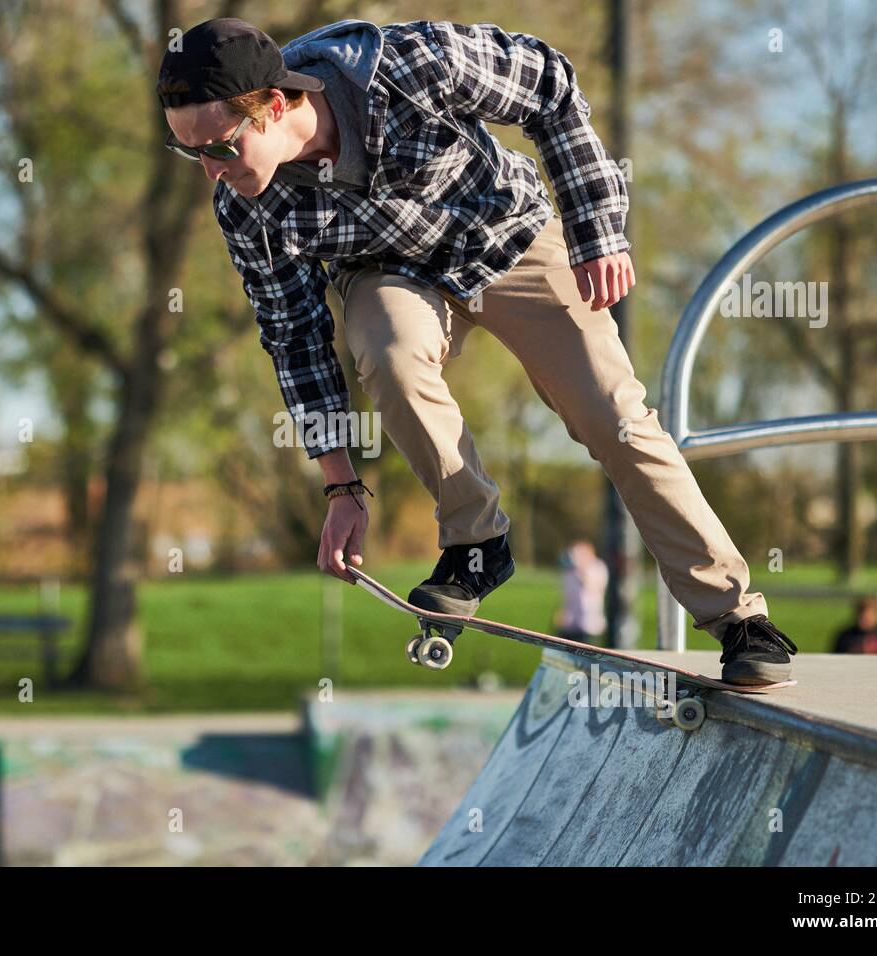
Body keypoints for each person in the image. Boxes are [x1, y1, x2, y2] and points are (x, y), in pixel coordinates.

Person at [158, 18, 797, 684]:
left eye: (221, 149)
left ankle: (738, 616)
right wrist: (341, 486)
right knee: (388, 351)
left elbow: (548, 86)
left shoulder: (407, 67)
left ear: (277, 104)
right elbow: (292, 333)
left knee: (614, 416)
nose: (212, 171)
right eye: (190, 154)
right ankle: (476, 543)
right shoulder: (246, 208)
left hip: (509, 237)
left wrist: (597, 229)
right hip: (389, 272)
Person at [555, 541, 608, 644]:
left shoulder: (598, 567)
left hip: (590, 625)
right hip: (570, 624)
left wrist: (582, 569)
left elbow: (593, 587)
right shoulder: (569, 572)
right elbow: (568, 596)